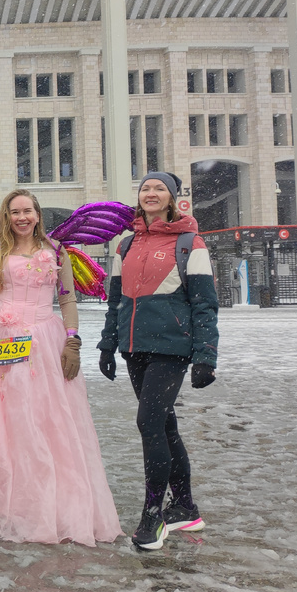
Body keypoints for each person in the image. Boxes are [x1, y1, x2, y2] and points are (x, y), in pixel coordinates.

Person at [0, 189, 121, 546]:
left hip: (44, 341)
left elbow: (67, 298)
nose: (21, 217)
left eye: (27, 211)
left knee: (46, 420)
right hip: (2, 338)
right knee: (6, 420)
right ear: (6, 217)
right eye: (14, 212)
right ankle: (8, 498)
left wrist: (72, 340)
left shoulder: (58, 251)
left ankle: (47, 500)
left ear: (38, 214)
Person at [99, 172, 219, 551]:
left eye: (159, 189)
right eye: (145, 188)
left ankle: (153, 513)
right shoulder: (126, 243)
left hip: (172, 348)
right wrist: (107, 345)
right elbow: (115, 299)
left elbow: (204, 303)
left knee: (148, 422)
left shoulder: (189, 243)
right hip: (135, 348)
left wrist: (205, 356)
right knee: (165, 427)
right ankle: (184, 506)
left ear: (172, 198)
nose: (151, 193)